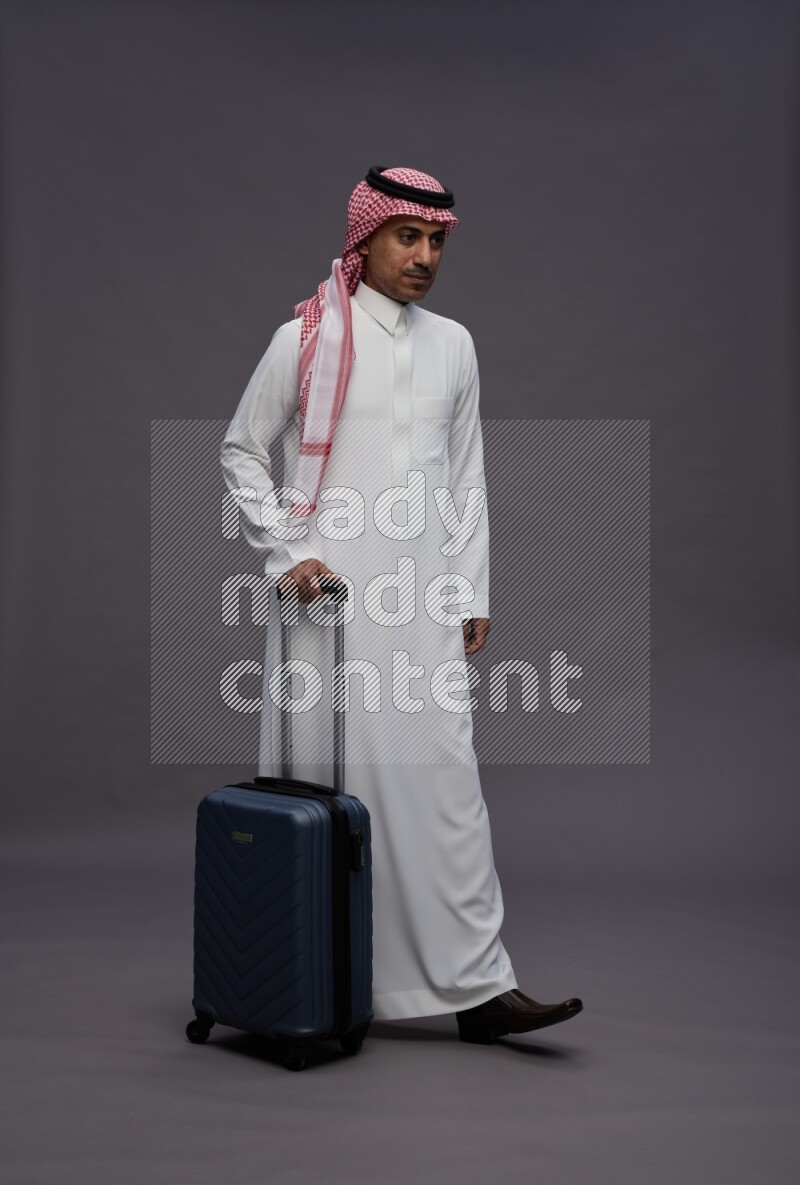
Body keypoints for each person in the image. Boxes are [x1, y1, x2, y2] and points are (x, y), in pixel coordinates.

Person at [220, 165, 582, 1043]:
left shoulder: (454, 344)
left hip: (421, 604)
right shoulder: (303, 338)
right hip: (326, 612)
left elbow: (466, 479)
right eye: (407, 237)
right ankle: (319, 979)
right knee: (326, 794)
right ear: (365, 240)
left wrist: (471, 588)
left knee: (445, 787)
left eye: (437, 242)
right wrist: (288, 551)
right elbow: (241, 451)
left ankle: (478, 987)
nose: (424, 257)